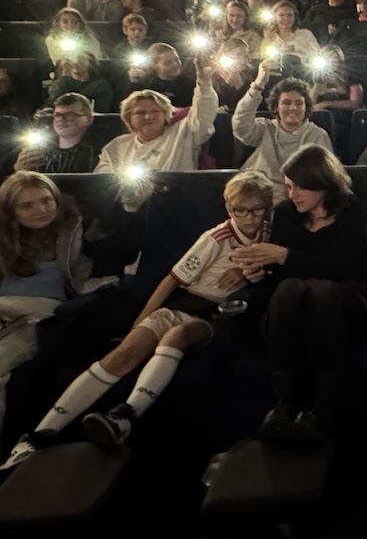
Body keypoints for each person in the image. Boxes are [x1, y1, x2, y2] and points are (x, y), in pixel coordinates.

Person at [1, 172, 276, 467]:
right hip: (181, 303)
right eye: (241, 210)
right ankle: (40, 434)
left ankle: (127, 414)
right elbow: (172, 279)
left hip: (209, 314)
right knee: (124, 353)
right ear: (229, 209)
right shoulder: (215, 238)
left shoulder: (270, 228)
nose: (250, 217)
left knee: (177, 336)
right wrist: (141, 320)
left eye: (257, 210)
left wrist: (248, 269)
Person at [231, 146, 367, 440]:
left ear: (322, 184)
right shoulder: (286, 215)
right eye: (288, 186)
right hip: (294, 309)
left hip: (346, 306)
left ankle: (323, 407)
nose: (293, 194)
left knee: (322, 290)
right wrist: (261, 271)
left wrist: (285, 256)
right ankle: (285, 403)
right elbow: (280, 275)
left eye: (300, 187)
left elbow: (351, 267)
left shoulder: (354, 212)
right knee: (291, 288)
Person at [0, 171, 128, 445]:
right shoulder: (5, 238)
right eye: (27, 205)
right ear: (11, 212)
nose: (41, 209)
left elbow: (110, 254)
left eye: (47, 200)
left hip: (40, 313)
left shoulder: (73, 228)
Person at [96, 51, 218, 175]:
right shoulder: (116, 148)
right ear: (128, 118)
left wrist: (204, 80)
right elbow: (102, 182)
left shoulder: (184, 133)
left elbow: (204, 111)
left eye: (155, 111)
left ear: (165, 114)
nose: (148, 117)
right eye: (140, 113)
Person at [233, 67, 334, 199]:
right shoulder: (265, 127)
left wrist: (284, 199)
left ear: (306, 107)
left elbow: (323, 178)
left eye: (299, 103)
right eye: (286, 103)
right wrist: (258, 85)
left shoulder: (318, 135)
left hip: (295, 199)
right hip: (255, 194)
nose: (293, 108)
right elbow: (240, 126)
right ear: (276, 107)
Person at [13, 93, 99, 173]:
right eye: (57, 115)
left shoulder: (97, 155)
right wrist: (20, 170)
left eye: (69, 115)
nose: (61, 119)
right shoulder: (39, 153)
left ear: (88, 120)